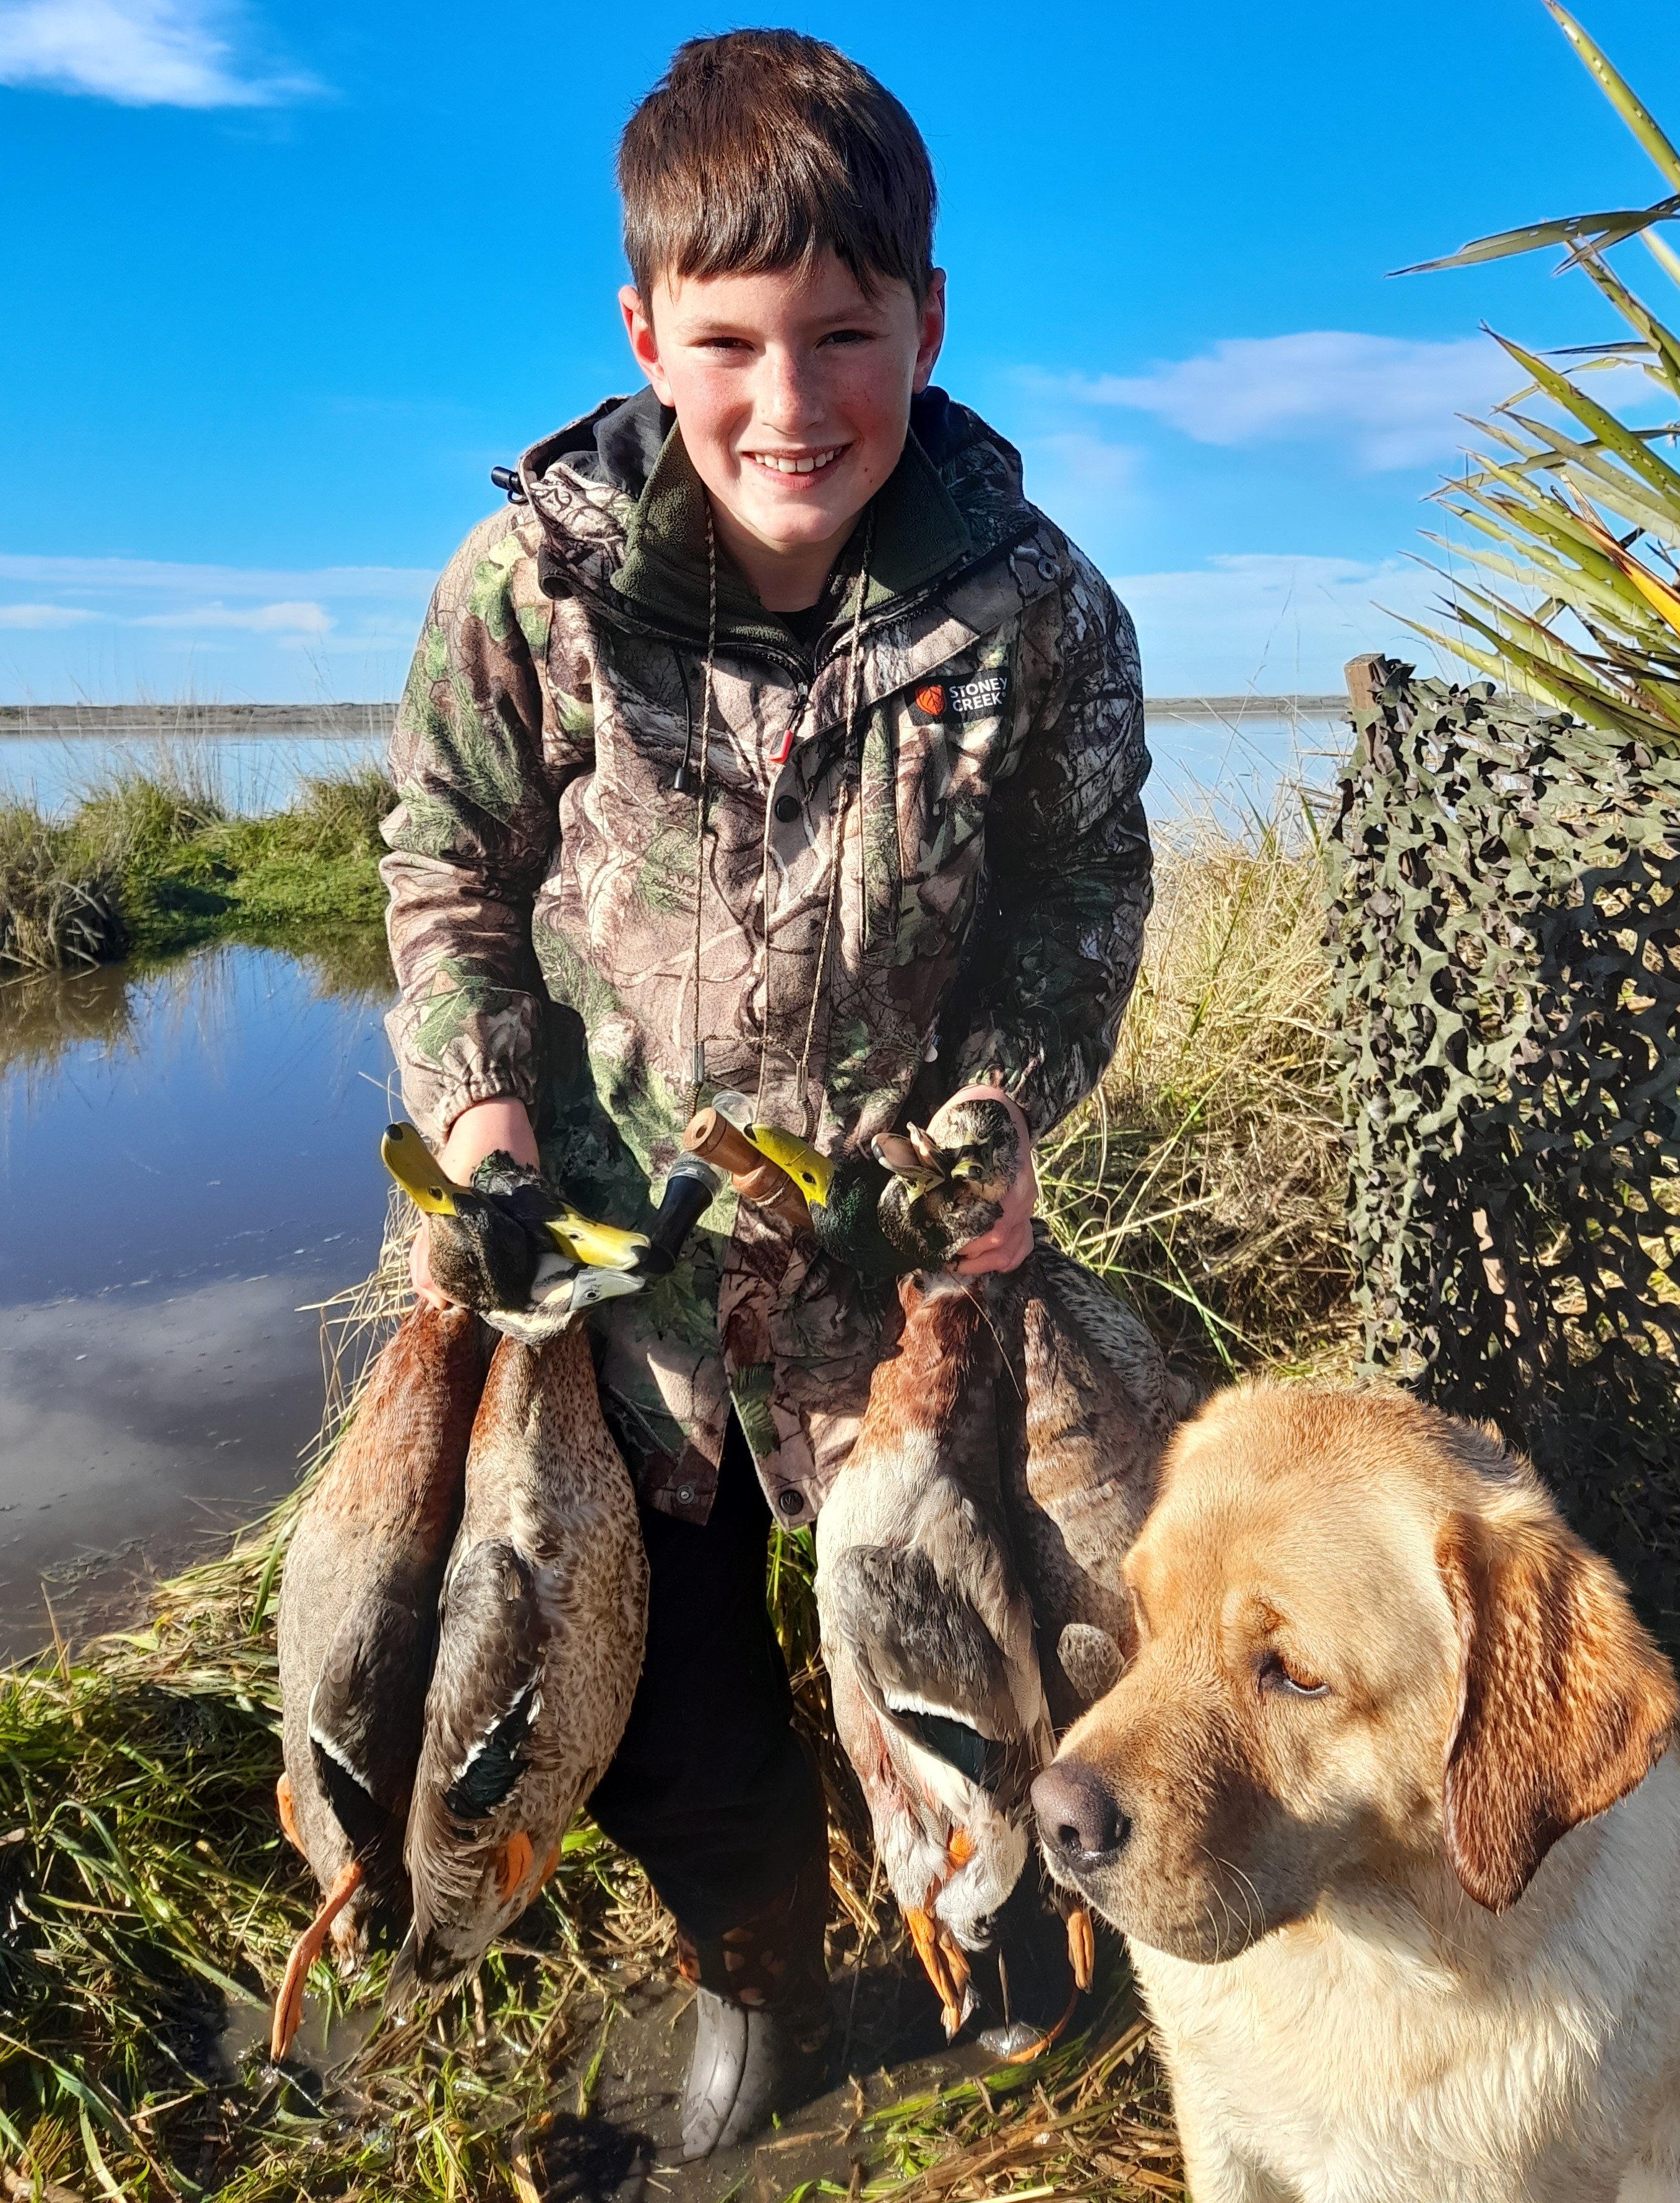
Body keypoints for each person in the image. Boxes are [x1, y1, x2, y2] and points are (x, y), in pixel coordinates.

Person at [381, 28, 1152, 2160]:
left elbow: (1085, 894)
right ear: (646, 332)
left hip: (898, 1272)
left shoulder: (1037, 612)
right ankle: (756, 1976)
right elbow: (445, 863)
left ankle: (1001, 1955)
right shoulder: (527, 587)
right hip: (615, 1271)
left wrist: (1001, 1125)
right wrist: (484, 1135)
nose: (790, 402)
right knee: (659, 1693)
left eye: (843, 332)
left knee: (972, 1636)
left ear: (926, 318)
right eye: (731, 341)